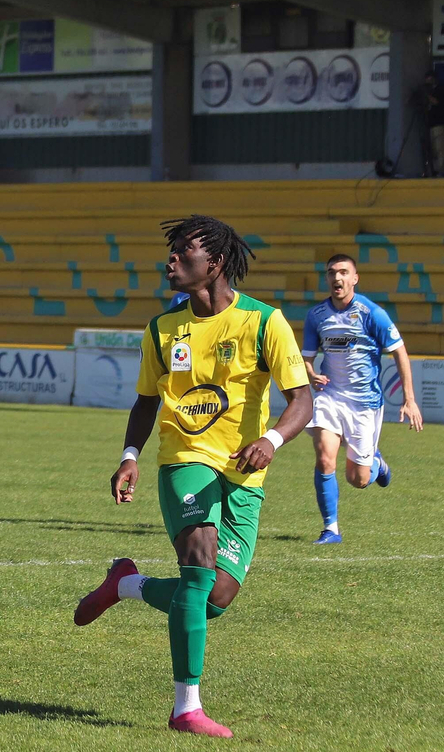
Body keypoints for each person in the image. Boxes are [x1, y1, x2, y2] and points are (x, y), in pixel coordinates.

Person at [73, 215, 313, 738]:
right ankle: (187, 708)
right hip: (183, 461)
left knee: (215, 598)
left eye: (184, 252)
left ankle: (125, 584)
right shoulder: (162, 328)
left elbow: (302, 400)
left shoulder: (264, 322)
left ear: (216, 263)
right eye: (173, 251)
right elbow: (145, 400)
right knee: (199, 562)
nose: (172, 260)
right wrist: (130, 455)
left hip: (243, 473)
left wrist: (271, 440)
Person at [302, 254, 424, 544]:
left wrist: (409, 399)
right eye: (332, 272)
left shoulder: (372, 313)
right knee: (324, 457)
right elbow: (306, 358)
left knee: (357, 479)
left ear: (355, 278)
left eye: (344, 272)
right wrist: (311, 374)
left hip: (364, 403)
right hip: (330, 397)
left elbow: (400, 352)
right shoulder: (316, 315)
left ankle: (377, 465)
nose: (337, 277)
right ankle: (331, 529)